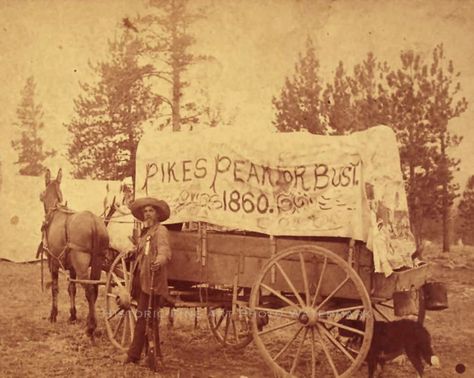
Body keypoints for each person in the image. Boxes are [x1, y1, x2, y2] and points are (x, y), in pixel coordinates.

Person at [123, 197, 171, 367]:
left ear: (157, 214)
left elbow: (165, 251)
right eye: (145, 211)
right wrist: (132, 252)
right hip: (143, 282)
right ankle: (141, 354)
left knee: (148, 319)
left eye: (151, 211)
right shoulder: (147, 233)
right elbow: (141, 251)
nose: (147, 214)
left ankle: (146, 355)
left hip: (154, 283)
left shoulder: (161, 231)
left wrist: (159, 260)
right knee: (145, 318)